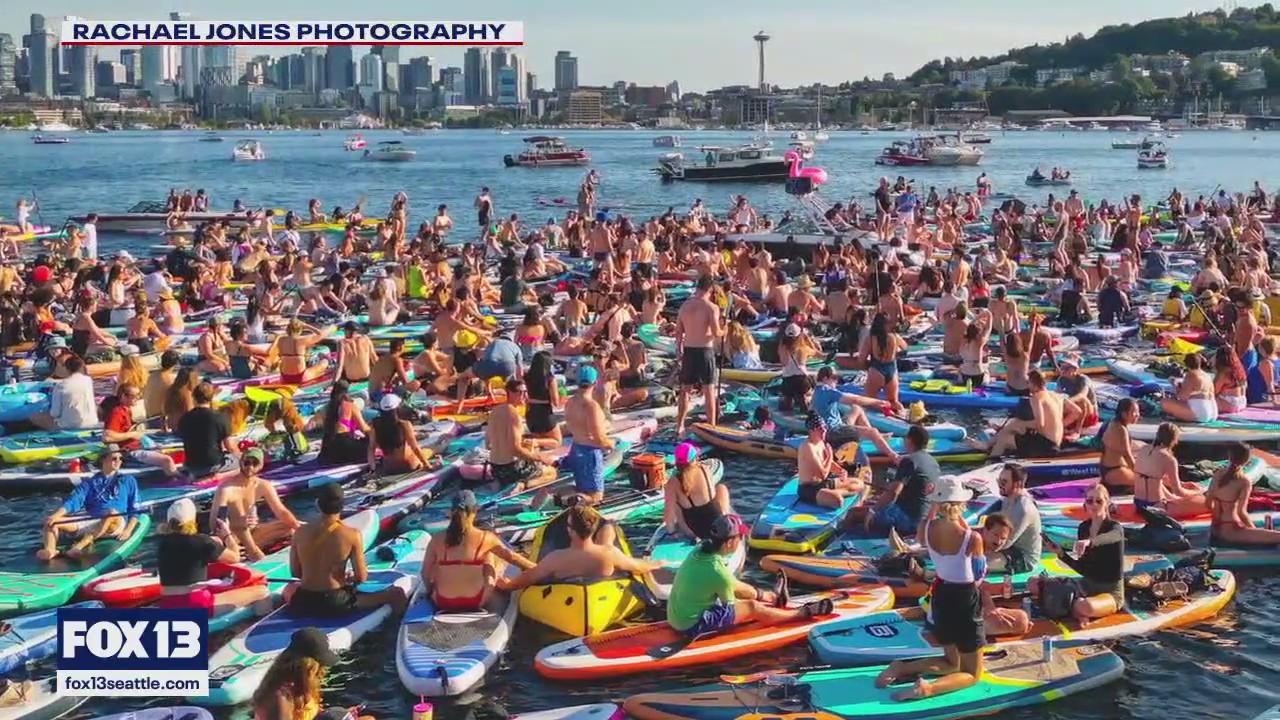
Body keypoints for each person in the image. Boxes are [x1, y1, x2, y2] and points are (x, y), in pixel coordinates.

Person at [874, 475, 986, 701]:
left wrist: (935, 508)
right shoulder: (972, 538)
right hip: (964, 599)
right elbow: (979, 575)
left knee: (951, 662)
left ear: (937, 502)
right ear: (961, 503)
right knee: (972, 674)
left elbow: (933, 527)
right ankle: (927, 689)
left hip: (940, 595)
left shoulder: (926, 528)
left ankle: (901, 667)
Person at [666, 514, 833, 638]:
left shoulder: (700, 550)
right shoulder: (717, 572)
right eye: (740, 536)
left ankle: (772, 597)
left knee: (737, 591)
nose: (742, 539)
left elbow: (732, 584)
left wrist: (764, 596)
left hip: (676, 617)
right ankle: (802, 613)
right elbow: (730, 606)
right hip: (691, 627)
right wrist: (755, 607)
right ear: (729, 542)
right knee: (752, 607)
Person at [285, 483, 408, 617]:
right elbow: (361, 577)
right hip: (334, 602)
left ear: (317, 504)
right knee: (396, 594)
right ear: (342, 506)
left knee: (289, 589)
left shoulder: (300, 532)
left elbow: (296, 572)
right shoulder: (352, 534)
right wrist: (347, 577)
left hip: (303, 601)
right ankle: (396, 623)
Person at [495, 505, 662, 592]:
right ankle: (608, 526)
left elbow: (529, 577)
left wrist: (506, 584)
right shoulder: (609, 554)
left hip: (566, 596)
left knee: (607, 540)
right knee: (608, 540)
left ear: (570, 531)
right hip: (601, 584)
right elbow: (638, 566)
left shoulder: (557, 558)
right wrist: (657, 564)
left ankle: (608, 527)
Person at [421, 491, 536, 613]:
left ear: (450, 512)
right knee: (489, 556)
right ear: (475, 510)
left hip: (443, 601)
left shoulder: (437, 538)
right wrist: (538, 568)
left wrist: (430, 592)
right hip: (476, 601)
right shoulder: (486, 538)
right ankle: (501, 582)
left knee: (439, 565)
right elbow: (513, 558)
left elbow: (425, 573)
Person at [1035, 484, 1125, 626]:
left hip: (1110, 591)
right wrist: (1061, 553)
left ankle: (1076, 609)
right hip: (1086, 586)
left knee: (1085, 606)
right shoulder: (1084, 528)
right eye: (1090, 501)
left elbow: (1110, 537)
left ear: (1107, 503)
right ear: (1085, 504)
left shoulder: (1115, 528)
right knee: (1034, 583)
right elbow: (1082, 569)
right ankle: (1076, 610)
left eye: (1099, 501)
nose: (1094, 505)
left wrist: (1090, 542)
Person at [38, 445, 140, 560]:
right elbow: (73, 501)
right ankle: (50, 550)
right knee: (53, 521)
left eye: (120, 458)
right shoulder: (90, 483)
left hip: (116, 521)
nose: (118, 461)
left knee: (110, 513)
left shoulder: (128, 480)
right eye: (114, 458)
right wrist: (55, 515)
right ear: (103, 459)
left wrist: (128, 530)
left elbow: (135, 509)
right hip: (92, 519)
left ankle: (79, 547)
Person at [157, 498, 259, 613]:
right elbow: (235, 557)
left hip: (168, 604)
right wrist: (227, 535)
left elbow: (187, 557)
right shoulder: (202, 541)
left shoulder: (163, 544)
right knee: (261, 592)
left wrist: (213, 543)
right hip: (195, 603)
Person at [531, 366, 614, 508]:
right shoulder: (591, 406)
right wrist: (610, 443)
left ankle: (551, 494)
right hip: (590, 453)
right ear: (595, 383)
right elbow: (598, 438)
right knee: (596, 496)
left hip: (576, 448)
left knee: (581, 486)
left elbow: (572, 427)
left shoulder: (570, 402)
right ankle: (569, 502)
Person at [251, 628, 375, 720]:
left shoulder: (301, 685)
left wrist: (342, 714)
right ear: (308, 666)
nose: (322, 670)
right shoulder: (280, 697)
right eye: (320, 665)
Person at [211, 448, 302, 561]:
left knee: (290, 527)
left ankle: (250, 549)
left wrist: (300, 529)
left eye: (254, 463)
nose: (250, 467)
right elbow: (218, 522)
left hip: (252, 531)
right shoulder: (227, 489)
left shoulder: (262, 485)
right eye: (247, 463)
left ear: (261, 466)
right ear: (241, 462)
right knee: (239, 514)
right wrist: (230, 540)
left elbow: (281, 511)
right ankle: (252, 551)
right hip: (231, 536)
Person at [849, 424, 938, 537]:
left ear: (909, 441)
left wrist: (872, 512)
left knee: (854, 513)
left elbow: (893, 493)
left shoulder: (909, 461)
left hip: (909, 519)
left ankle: (838, 538)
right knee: (873, 501)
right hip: (924, 518)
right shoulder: (933, 461)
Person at [483, 378, 557, 492]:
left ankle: (504, 482)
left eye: (526, 392)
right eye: (520, 392)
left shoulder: (495, 411)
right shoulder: (514, 415)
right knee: (552, 472)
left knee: (532, 450)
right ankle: (523, 484)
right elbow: (515, 449)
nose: (524, 396)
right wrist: (540, 458)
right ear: (509, 393)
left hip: (495, 468)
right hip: (511, 468)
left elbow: (488, 443)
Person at [674, 276, 724, 436]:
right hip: (704, 350)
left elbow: (678, 332)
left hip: (689, 350)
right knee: (709, 389)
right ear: (710, 289)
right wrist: (724, 330)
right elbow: (716, 332)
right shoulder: (711, 308)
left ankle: (680, 425)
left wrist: (678, 351)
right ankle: (711, 425)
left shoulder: (685, 306)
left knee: (685, 389)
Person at [1206, 442, 1280, 547]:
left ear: (1229, 456)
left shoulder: (1217, 475)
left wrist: (1217, 517)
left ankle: (1265, 533)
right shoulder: (1244, 481)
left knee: (1266, 535)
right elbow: (1241, 512)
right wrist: (1254, 530)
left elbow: (1208, 503)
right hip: (1232, 530)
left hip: (1217, 530)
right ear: (1247, 460)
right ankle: (1265, 534)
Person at [102, 382, 179, 476]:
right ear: (123, 396)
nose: (138, 398)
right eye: (134, 396)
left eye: (139, 394)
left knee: (167, 451)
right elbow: (107, 437)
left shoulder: (126, 410)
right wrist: (133, 434)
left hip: (138, 447)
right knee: (167, 460)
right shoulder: (117, 412)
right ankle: (178, 480)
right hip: (131, 452)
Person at [1133, 423, 1206, 518]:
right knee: (1205, 503)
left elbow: (1154, 477)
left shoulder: (1143, 449)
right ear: (1174, 439)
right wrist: (1197, 492)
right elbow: (1178, 492)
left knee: (1153, 481)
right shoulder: (1169, 459)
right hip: (1158, 507)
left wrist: (1182, 484)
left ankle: (1172, 499)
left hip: (1138, 504)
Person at [664, 442, 731, 540]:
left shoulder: (673, 483)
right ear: (695, 459)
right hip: (716, 526)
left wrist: (671, 533)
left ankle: (681, 530)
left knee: (676, 504)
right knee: (721, 488)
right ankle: (726, 517)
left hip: (693, 532)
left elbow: (668, 512)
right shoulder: (705, 469)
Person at [795, 414, 865, 509]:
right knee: (838, 501)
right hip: (809, 488)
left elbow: (828, 463)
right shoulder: (808, 447)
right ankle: (833, 495)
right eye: (820, 429)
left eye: (824, 427)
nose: (824, 431)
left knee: (859, 483)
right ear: (812, 431)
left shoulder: (820, 442)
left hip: (824, 483)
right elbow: (823, 474)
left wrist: (840, 471)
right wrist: (830, 456)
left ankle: (834, 493)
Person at [176, 382, 239, 479]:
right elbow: (231, 447)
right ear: (211, 398)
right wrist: (241, 456)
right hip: (213, 465)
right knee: (242, 464)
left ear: (193, 398)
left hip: (191, 466)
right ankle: (219, 476)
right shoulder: (220, 417)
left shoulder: (185, 418)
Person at [987, 463, 1041, 574]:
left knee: (978, 562)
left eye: (1004, 482)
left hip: (1024, 558)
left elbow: (1004, 543)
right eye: (998, 481)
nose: (999, 485)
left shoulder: (1023, 509)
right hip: (1008, 548)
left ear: (1017, 484)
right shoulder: (1007, 498)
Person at [367, 395, 432, 473]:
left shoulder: (375, 425)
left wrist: (373, 469)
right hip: (408, 464)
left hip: (389, 467)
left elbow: (371, 448)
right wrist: (427, 465)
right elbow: (415, 448)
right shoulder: (404, 424)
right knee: (429, 450)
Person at [30, 356, 96, 431]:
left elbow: (55, 413)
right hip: (92, 422)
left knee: (35, 417)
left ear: (66, 368)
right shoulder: (88, 381)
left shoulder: (60, 386)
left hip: (69, 426)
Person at [1160, 353, 1217, 423]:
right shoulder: (1207, 376)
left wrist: (1175, 385)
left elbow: (1182, 397)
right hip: (1213, 413)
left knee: (1164, 402)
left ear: (1186, 364)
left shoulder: (1191, 375)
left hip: (1200, 413)